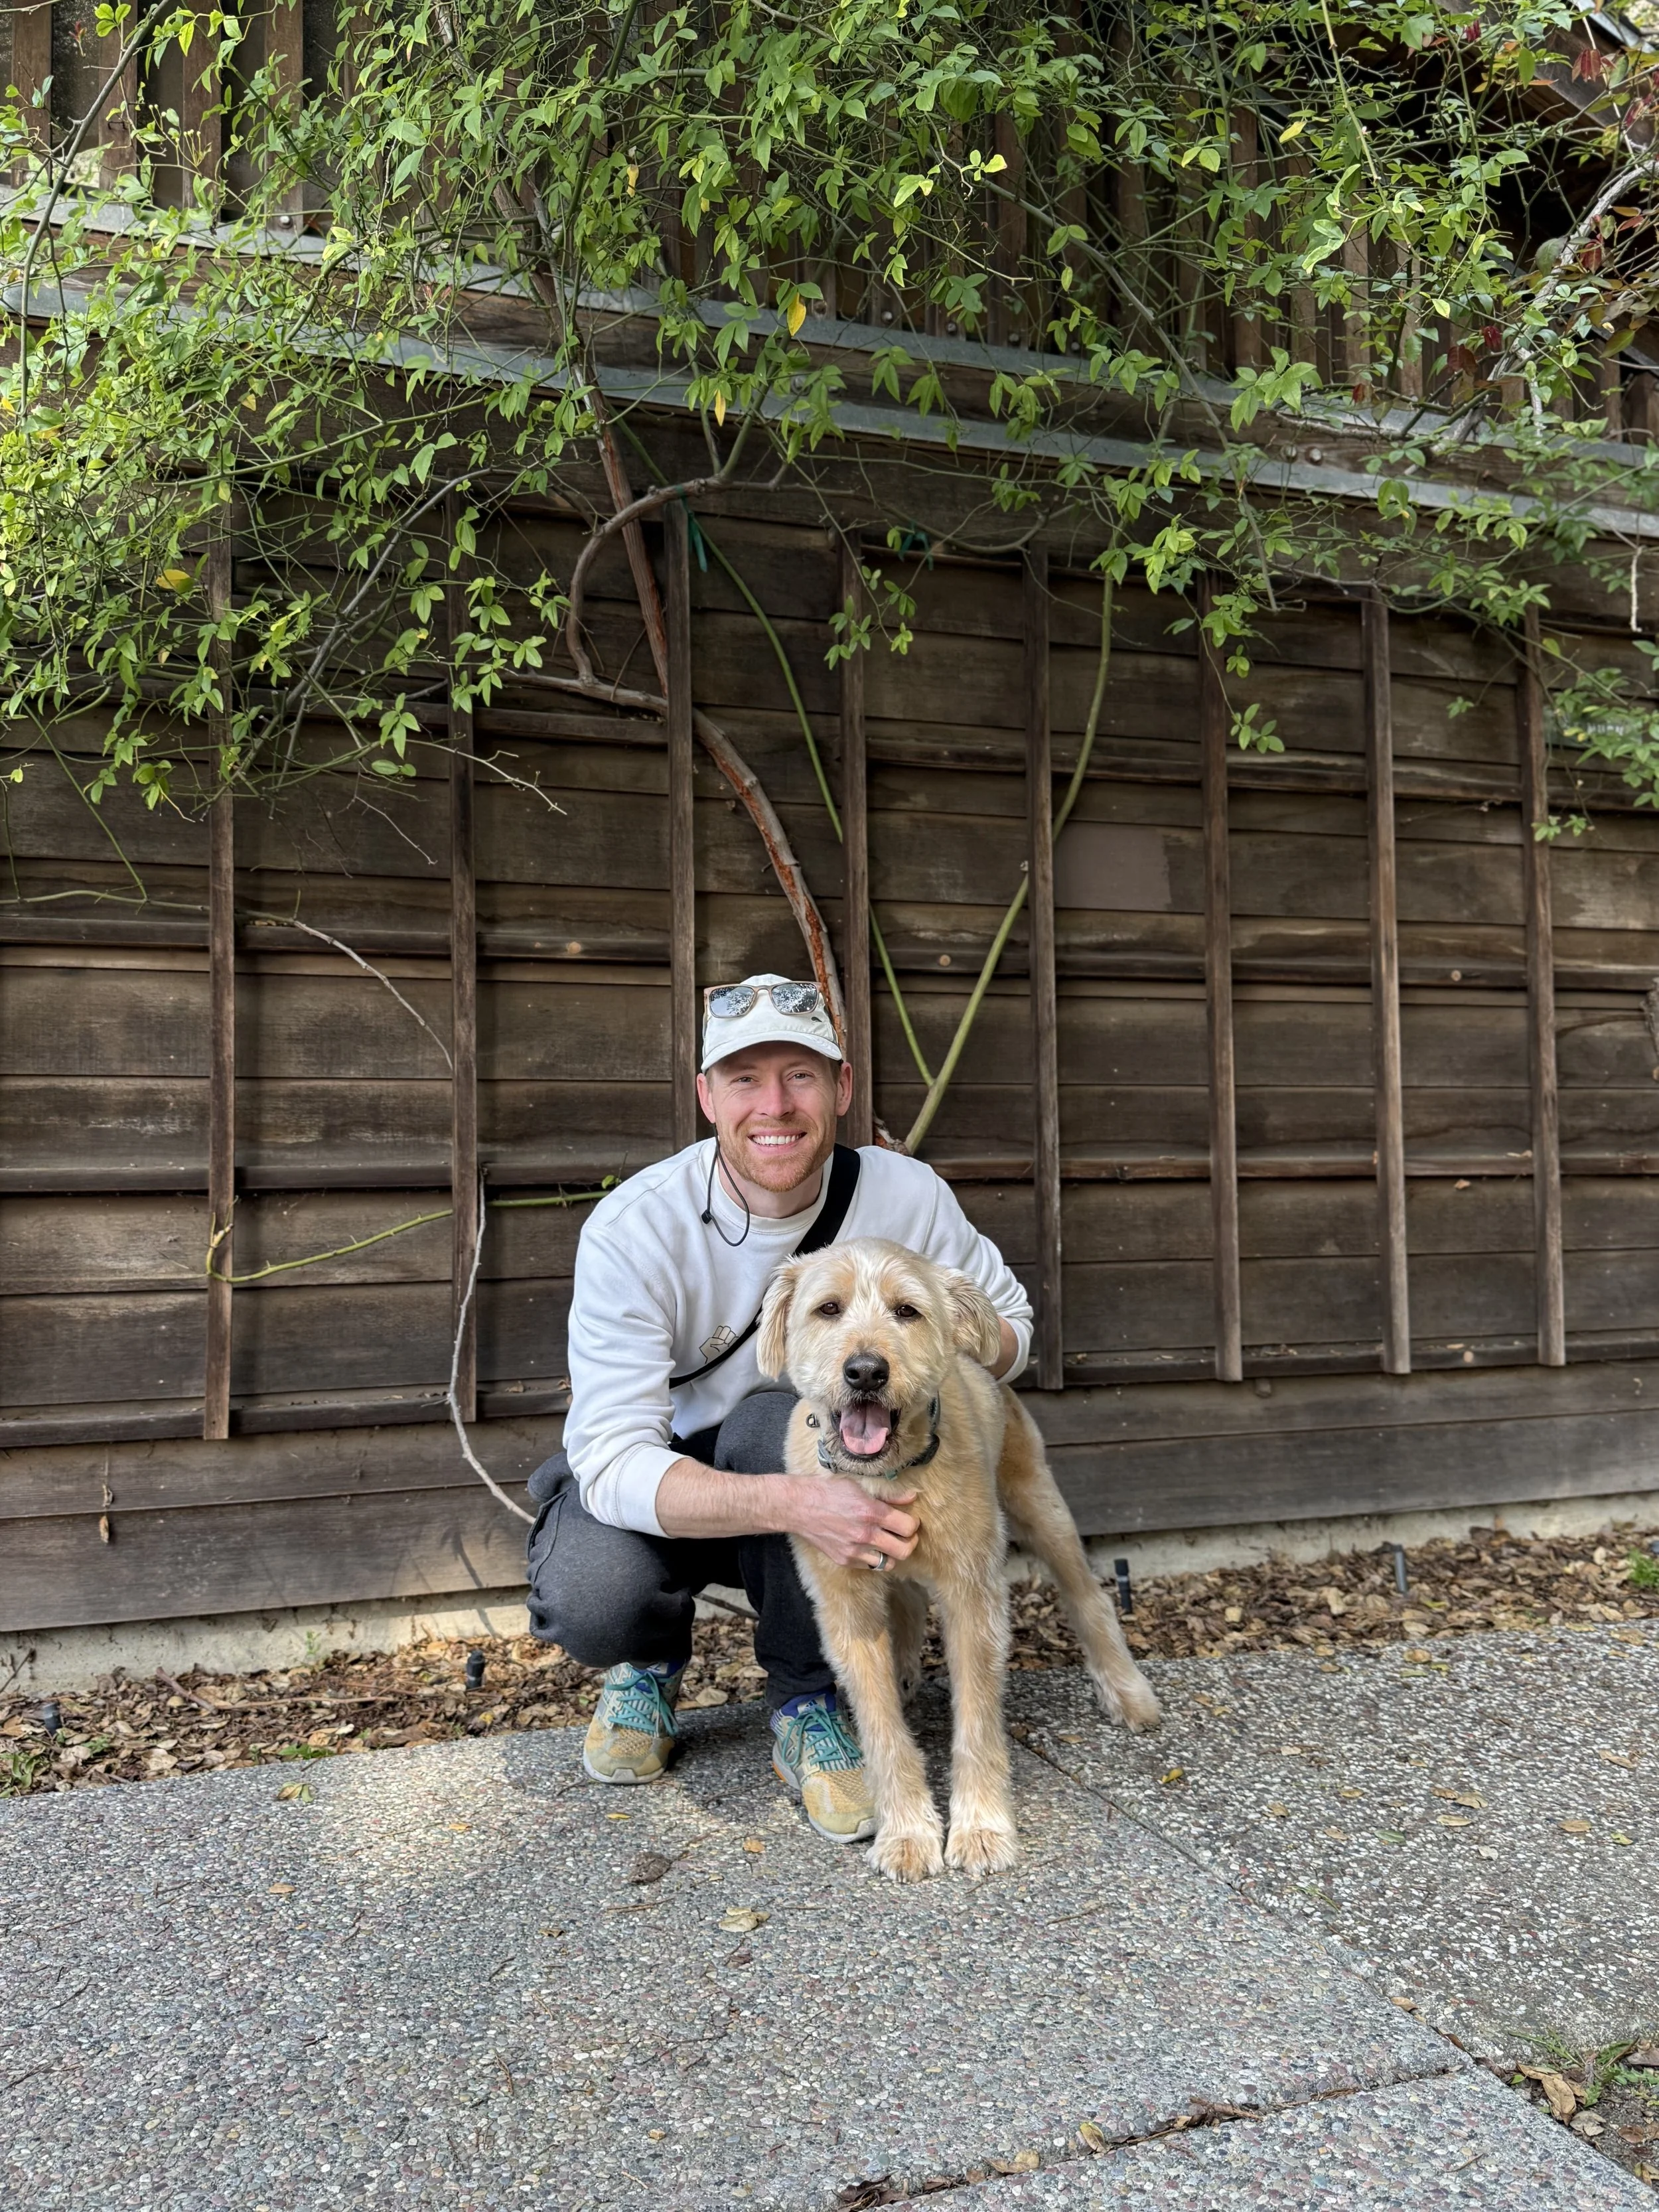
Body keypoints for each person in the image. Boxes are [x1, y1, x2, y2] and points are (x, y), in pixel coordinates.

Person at [525, 973, 1033, 1844]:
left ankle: (805, 1698)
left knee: (784, 1424)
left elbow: (1014, 1327)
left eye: (800, 1075)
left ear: (840, 1088)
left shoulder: (907, 1198)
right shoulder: (633, 1229)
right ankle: (647, 1661)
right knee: (593, 1590)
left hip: (816, 1452)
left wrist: (938, 1340)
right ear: (705, 1096)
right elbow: (610, 1459)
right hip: (681, 1484)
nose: (775, 1105)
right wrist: (798, 1503)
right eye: (744, 1078)